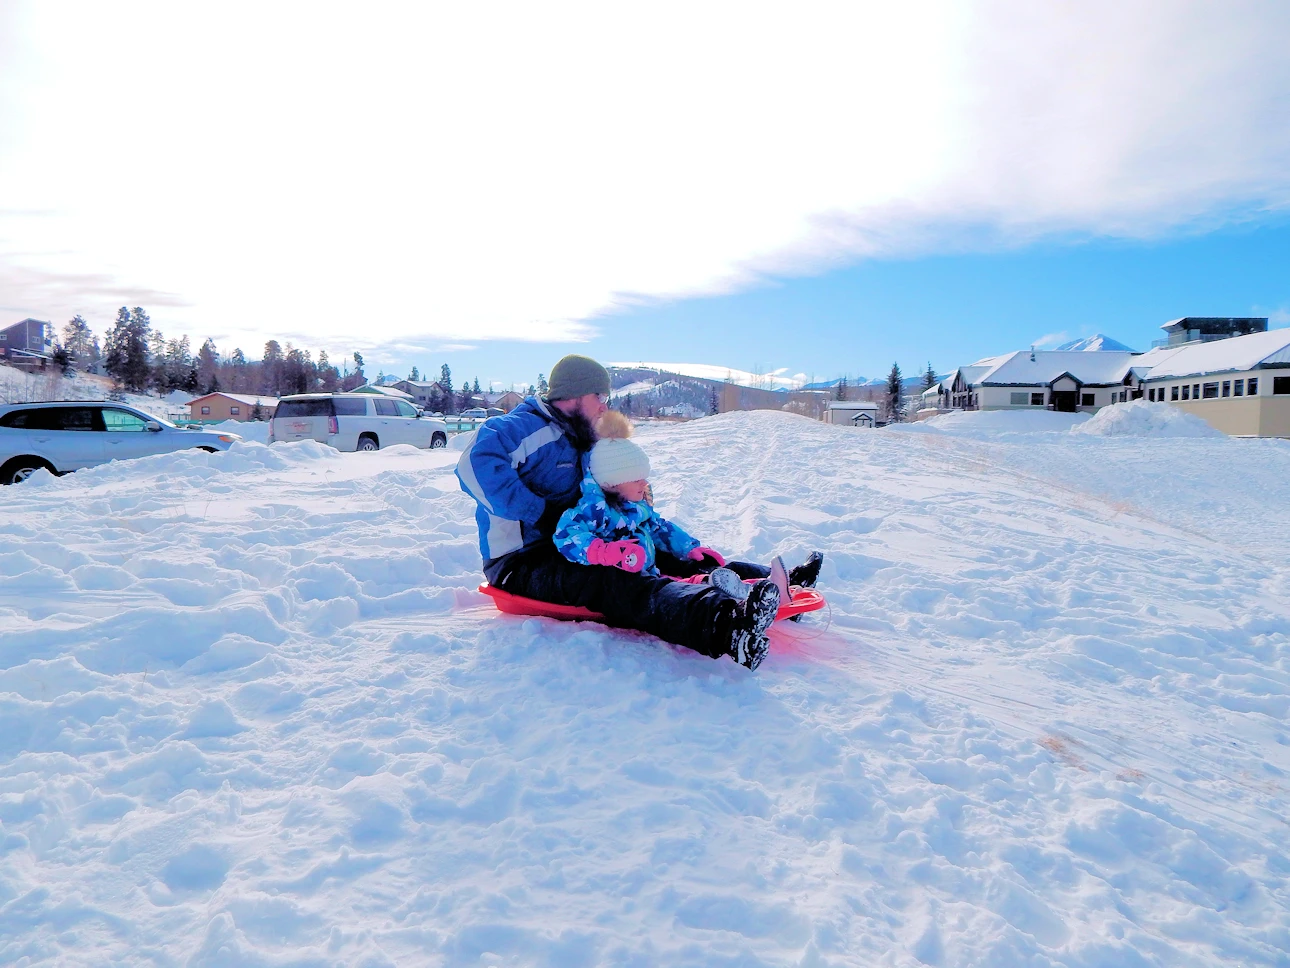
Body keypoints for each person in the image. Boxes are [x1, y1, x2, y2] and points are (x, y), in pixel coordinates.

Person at [456, 354, 805, 669]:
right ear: (576, 395)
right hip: (524, 561)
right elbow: (475, 465)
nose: (604, 408)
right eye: (600, 398)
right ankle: (727, 625)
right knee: (620, 581)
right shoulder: (521, 428)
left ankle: (769, 584)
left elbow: (608, 482)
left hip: (590, 540)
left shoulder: (582, 435)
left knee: (661, 554)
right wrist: (540, 514)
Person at [552, 411, 799, 607]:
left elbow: (661, 528)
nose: (644, 483)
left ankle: (780, 582)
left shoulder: (637, 506)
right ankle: (754, 594)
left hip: (652, 569)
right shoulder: (592, 511)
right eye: (636, 478)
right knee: (689, 586)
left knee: (701, 569)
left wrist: (689, 547)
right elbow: (567, 535)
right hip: (631, 582)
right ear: (611, 482)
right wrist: (604, 552)